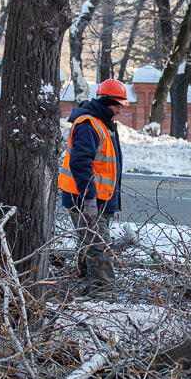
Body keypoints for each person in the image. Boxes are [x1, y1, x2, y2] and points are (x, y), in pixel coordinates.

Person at [58, 79, 128, 293]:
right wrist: (89, 199)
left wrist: (109, 203)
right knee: (99, 246)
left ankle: (84, 286)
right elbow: (80, 163)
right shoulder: (88, 125)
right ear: (107, 103)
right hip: (86, 199)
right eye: (117, 106)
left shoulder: (103, 125)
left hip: (99, 200)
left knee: (89, 243)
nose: (119, 111)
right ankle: (103, 294)